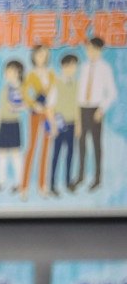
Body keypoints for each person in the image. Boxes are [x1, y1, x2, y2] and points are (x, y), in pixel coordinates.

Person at [72, 35, 115, 192]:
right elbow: (79, 92)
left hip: (96, 109)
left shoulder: (105, 68)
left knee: (96, 145)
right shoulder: (83, 67)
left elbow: (112, 93)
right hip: (83, 109)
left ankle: (97, 178)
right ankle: (80, 176)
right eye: (87, 49)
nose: (89, 52)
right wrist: (77, 113)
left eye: (92, 49)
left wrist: (101, 109)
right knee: (81, 144)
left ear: (99, 50)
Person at [20, 43, 55, 199]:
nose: (41, 57)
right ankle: (24, 186)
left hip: (48, 113)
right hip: (35, 112)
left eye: (44, 54)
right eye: (39, 54)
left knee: (46, 150)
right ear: (34, 56)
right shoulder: (31, 75)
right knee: (32, 147)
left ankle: (42, 185)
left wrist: (50, 111)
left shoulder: (51, 74)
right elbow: (25, 93)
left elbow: (54, 94)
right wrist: (35, 105)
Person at [48, 52, 81, 197]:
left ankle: (68, 182)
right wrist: (53, 126)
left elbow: (77, 105)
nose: (71, 69)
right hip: (59, 125)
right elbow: (49, 107)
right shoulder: (56, 84)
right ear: (62, 66)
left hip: (72, 123)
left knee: (70, 154)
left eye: (74, 66)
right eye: (68, 66)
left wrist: (79, 124)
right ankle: (52, 185)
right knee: (56, 154)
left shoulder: (76, 84)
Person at [0, 59, 25, 194]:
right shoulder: (5, 89)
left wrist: (16, 107)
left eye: (11, 70)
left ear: (18, 72)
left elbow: (25, 105)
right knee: (1, 153)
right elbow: (1, 106)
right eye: (7, 70)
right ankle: (1, 182)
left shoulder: (22, 88)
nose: (8, 73)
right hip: (3, 123)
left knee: (16, 154)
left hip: (14, 123)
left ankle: (19, 183)